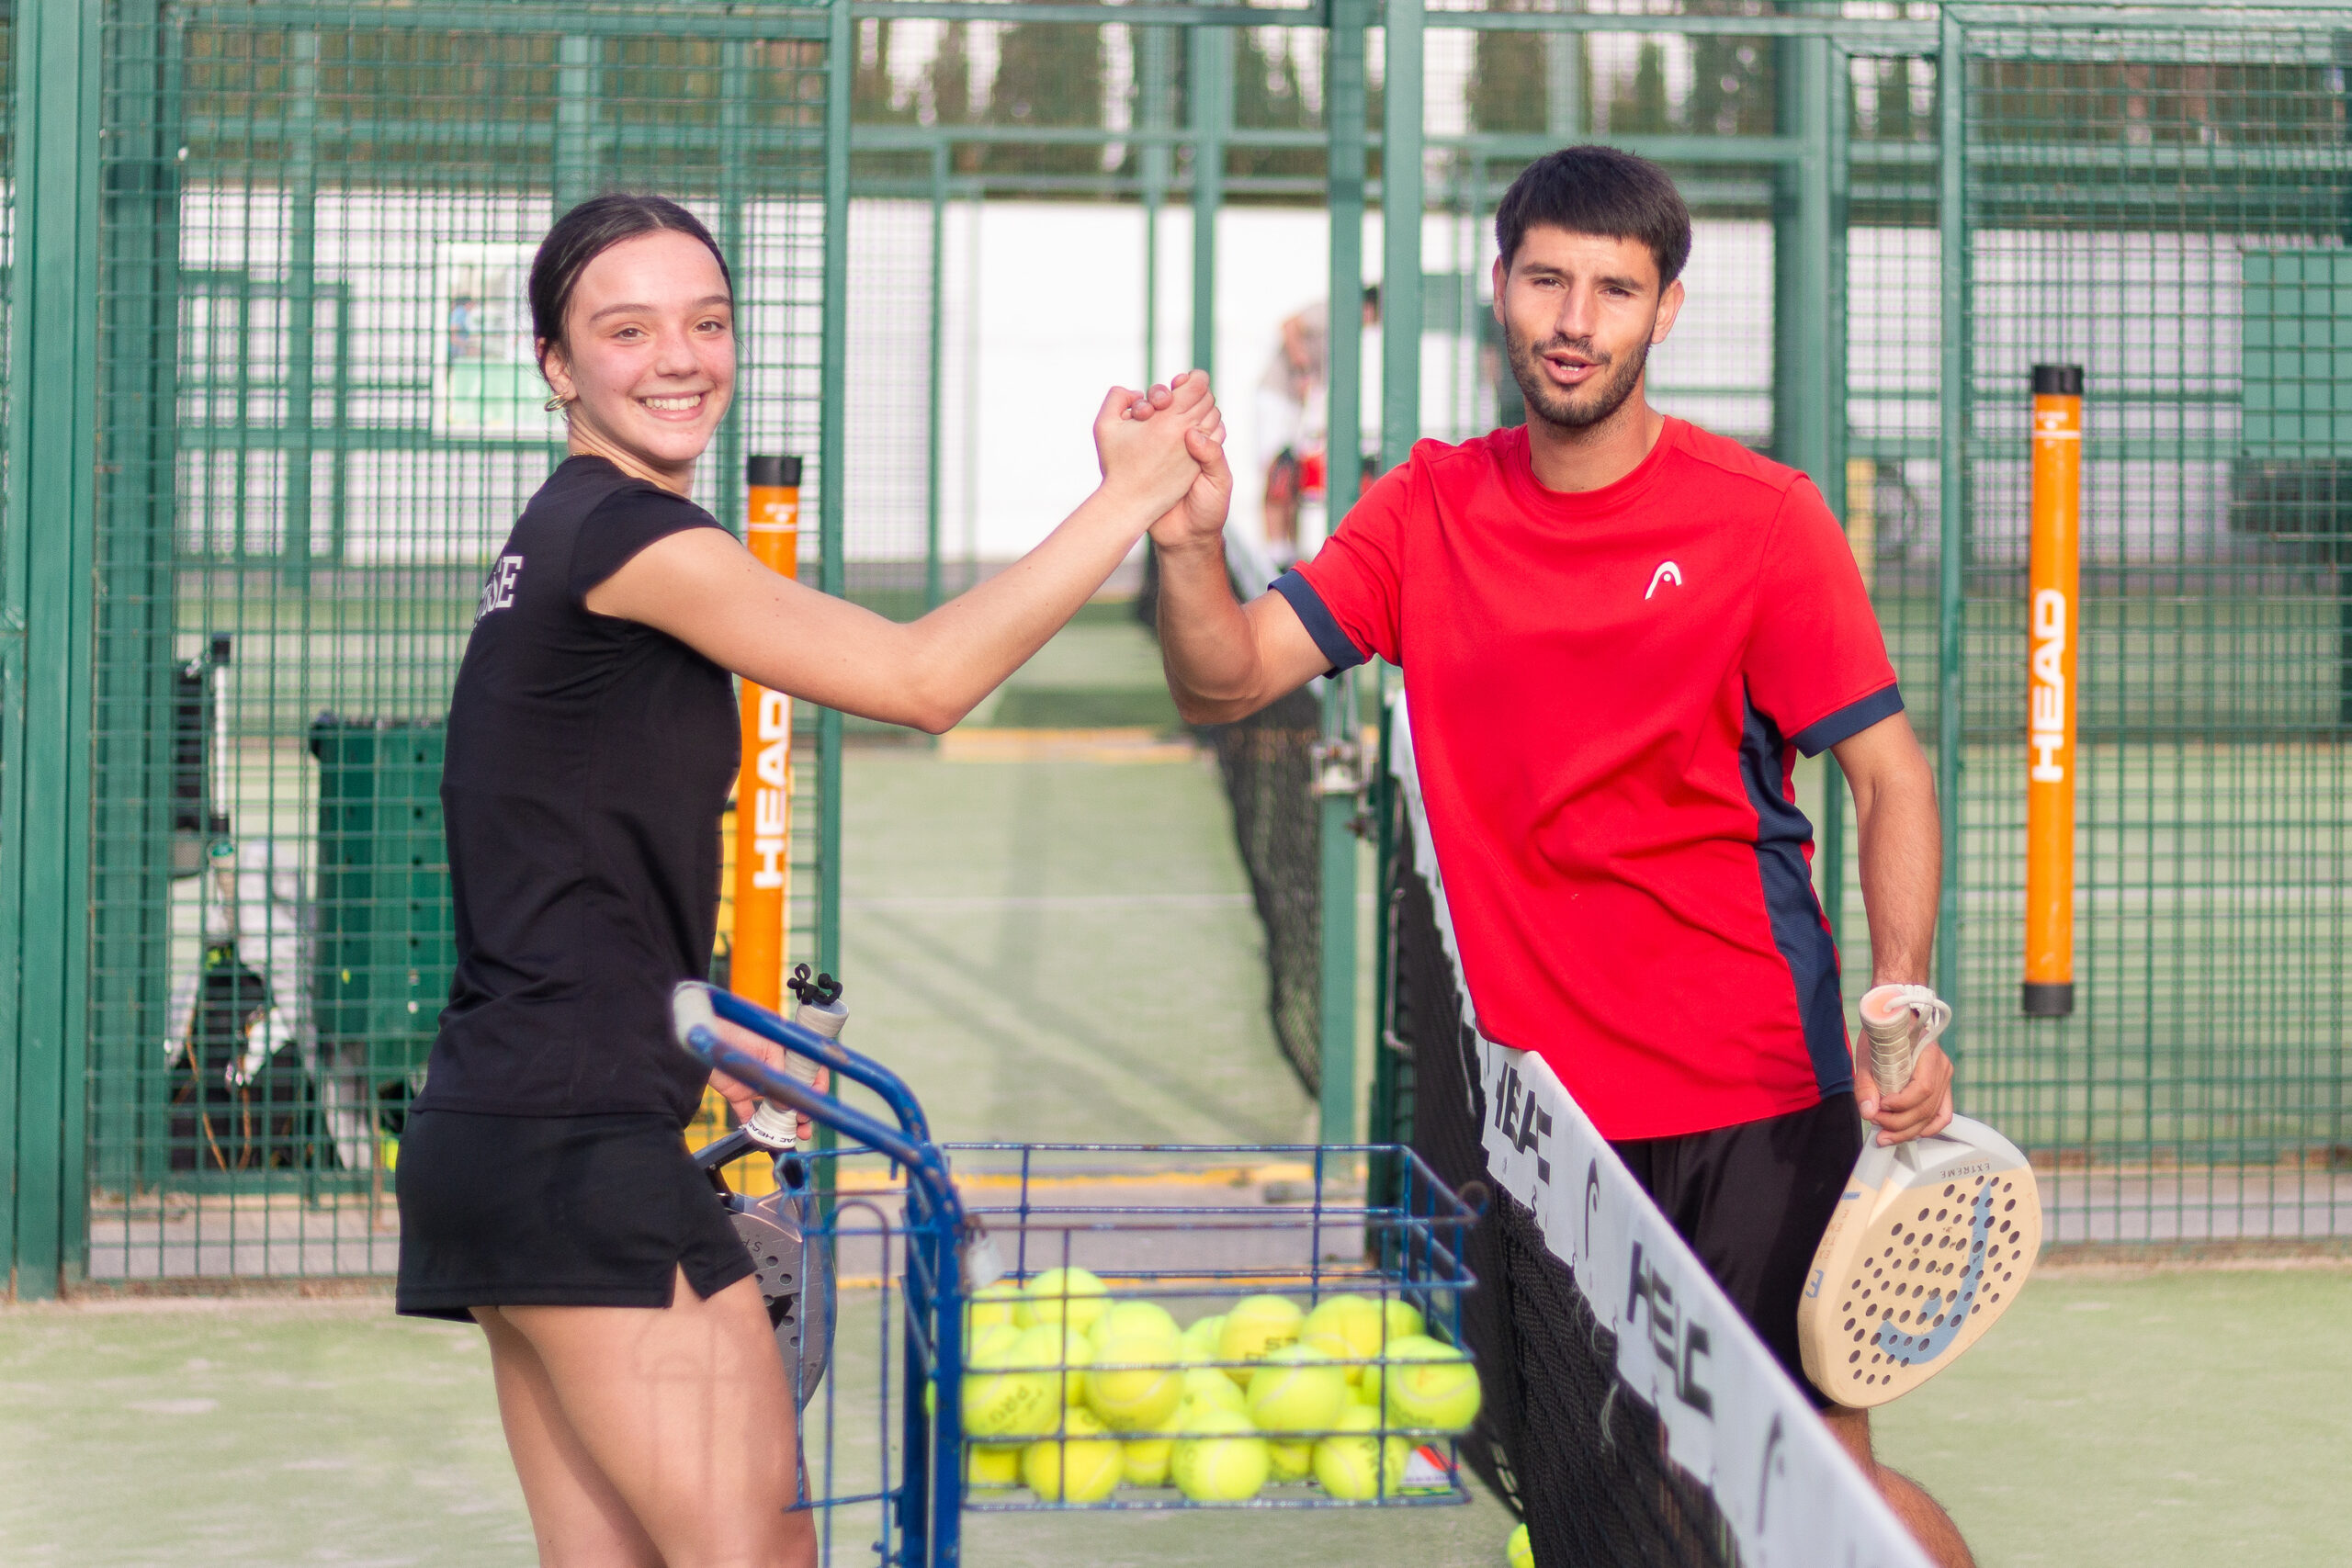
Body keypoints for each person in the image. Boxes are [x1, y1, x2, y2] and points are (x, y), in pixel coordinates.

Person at [1142, 147, 1974, 1568]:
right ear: (1501, 291)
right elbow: (1226, 679)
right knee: (1618, 1489)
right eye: (1548, 280)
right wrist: (1185, 540)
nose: (1576, 317)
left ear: (1665, 311)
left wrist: (1901, 993)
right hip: (1548, 1126)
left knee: (1815, 1479)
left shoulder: (1762, 521)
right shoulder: (1424, 509)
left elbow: (1889, 772)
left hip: (1750, 1095)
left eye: (1614, 288)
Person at [394, 191, 1222, 1568]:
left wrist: (689, 1018)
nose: (678, 356)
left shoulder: (565, 533)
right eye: (627, 328)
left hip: (508, 1124)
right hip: (572, 1135)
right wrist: (1131, 494)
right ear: (557, 363)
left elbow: (548, 835)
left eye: (706, 321)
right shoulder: (631, 537)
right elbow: (922, 679)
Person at [1256, 285, 1380, 563]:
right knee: (1278, 473)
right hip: (1277, 396)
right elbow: (1288, 325)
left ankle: (1288, 550)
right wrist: (1302, 367)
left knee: (1294, 476)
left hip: (1296, 405)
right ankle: (1274, 548)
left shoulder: (1348, 337)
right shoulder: (1331, 311)